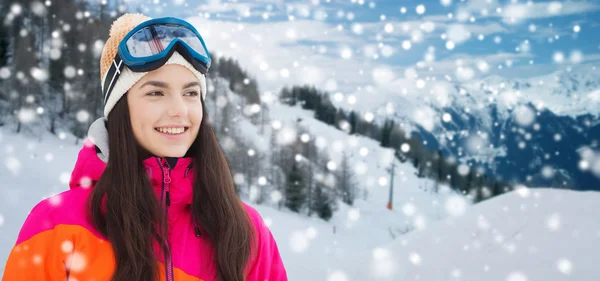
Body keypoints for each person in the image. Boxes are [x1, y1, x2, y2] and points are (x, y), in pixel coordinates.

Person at [2, 13, 288, 281]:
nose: (179, 110)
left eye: (190, 92)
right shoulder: (57, 225)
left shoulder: (245, 231)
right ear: (120, 109)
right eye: (155, 92)